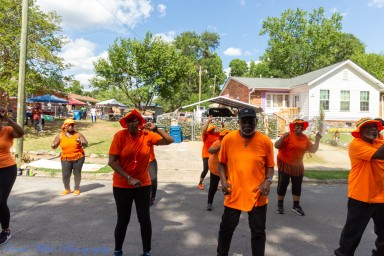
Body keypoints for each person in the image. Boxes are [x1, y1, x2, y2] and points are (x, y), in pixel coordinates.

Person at [108, 109, 174, 256]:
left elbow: (170, 140)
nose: (131, 124)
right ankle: (118, 250)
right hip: (122, 185)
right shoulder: (120, 136)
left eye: (134, 121)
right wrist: (129, 178)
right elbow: (111, 161)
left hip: (143, 184)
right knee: (123, 220)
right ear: (125, 124)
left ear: (140, 123)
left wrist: (156, 128)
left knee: (144, 219)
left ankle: (146, 252)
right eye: (128, 121)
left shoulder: (147, 135)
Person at [217, 108, 275, 256]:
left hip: (257, 194)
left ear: (256, 122)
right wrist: (223, 181)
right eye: (244, 121)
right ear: (239, 122)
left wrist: (268, 181)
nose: (247, 124)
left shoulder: (265, 141)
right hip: (233, 192)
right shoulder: (229, 139)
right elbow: (221, 163)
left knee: (258, 232)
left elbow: (270, 166)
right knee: (226, 229)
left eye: (251, 121)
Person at [335, 117, 384, 256]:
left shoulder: (380, 142)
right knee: (352, 235)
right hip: (361, 197)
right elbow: (381, 154)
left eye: (375, 126)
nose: (372, 129)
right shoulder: (356, 145)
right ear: (360, 131)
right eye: (368, 127)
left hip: (381, 197)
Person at [274, 119, 321, 216]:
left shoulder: (305, 138)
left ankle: (296, 206)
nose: (299, 127)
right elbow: (276, 146)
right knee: (283, 184)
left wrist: (317, 140)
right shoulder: (288, 135)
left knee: (297, 185)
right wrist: (282, 138)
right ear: (293, 127)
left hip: (298, 165)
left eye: (301, 126)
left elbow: (312, 150)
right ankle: (280, 205)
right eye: (297, 125)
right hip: (285, 163)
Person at [0, 107, 24, 245]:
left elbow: (21, 132)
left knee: (1, 200)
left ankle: (6, 230)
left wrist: (9, 118)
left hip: (7, 169)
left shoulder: (7, 130)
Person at [51, 119, 88, 196]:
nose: (71, 127)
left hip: (78, 157)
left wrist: (81, 142)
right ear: (65, 126)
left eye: (72, 125)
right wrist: (53, 146)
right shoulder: (60, 135)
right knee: (65, 174)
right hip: (66, 158)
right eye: (69, 125)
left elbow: (86, 144)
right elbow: (54, 145)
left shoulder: (78, 135)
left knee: (77, 173)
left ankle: (76, 188)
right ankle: (67, 189)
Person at [206, 128, 231, 211]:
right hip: (215, 169)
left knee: (228, 187)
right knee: (213, 187)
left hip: (227, 171)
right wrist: (218, 148)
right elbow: (210, 151)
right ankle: (209, 203)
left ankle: (228, 204)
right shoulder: (217, 143)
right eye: (225, 137)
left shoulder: (233, 145)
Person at [197, 116, 222, 190]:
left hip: (214, 155)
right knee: (205, 169)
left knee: (215, 170)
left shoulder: (216, 134)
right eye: (212, 129)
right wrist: (208, 121)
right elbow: (204, 129)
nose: (213, 129)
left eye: (213, 128)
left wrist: (222, 125)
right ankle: (200, 183)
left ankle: (215, 184)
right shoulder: (206, 135)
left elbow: (223, 132)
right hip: (206, 154)